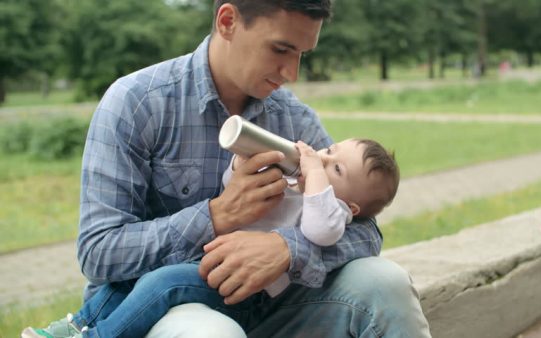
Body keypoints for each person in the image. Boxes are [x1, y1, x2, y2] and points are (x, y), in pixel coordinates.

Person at [33, 0, 431, 336]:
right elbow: (99, 253)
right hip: (165, 307)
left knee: (386, 282)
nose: (291, 73)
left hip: (271, 305)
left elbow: (364, 229)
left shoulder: (295, 120)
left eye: (301, 55)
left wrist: (287, 249)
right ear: (228, 22)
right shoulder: (137, 103)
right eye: (280, 50)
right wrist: (218, 215)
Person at [23, 138, 401, 338]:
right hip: (212, 262)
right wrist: (241, 165)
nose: (320, 155)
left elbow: (322, 230)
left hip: (243, 291)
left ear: (350, 206)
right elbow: (229, 189)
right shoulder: (297, 184)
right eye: (329, 151)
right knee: (134, 277)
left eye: (335, 166)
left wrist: (288, 244)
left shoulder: (329, 210)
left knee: (161, 283)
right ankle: (75, 325)